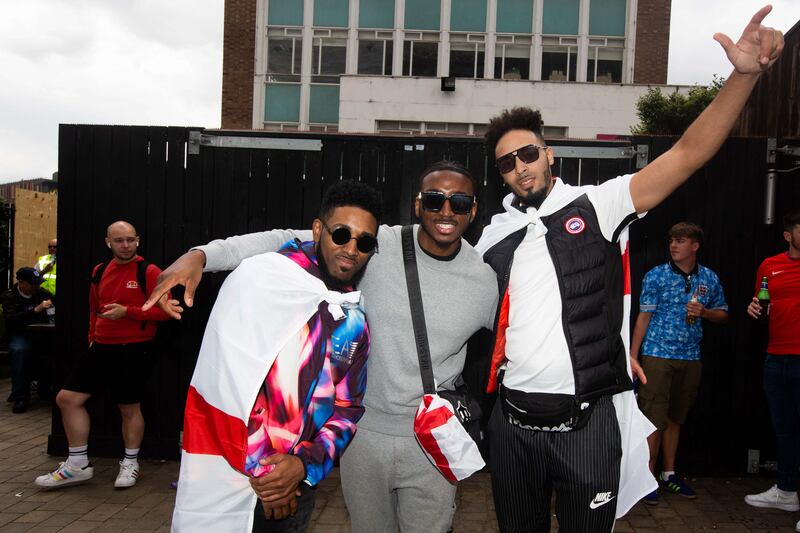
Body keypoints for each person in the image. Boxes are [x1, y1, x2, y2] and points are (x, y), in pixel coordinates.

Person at [475, 7, 782, 531]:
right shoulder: (492, 236)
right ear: (501, 175)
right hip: (513, 425)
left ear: (548, 154)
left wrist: (744, 75)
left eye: (527, 152)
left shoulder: (601, 205)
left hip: (589, 423)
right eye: (506, 162)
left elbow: (687, 154)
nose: (519, 166)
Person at [146, 163, 498, 533]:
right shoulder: (372, 242)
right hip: (364, 437)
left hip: (431, 441)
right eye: (434, 199)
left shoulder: (483, 281)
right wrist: (201, 256)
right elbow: (280, 239)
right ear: (417, 205)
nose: (446, 211)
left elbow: (517, 333)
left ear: (473, 210)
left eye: (459, 202)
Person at [172, 180, 380, 532]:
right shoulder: (259, 280)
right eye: (341, 234)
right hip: (229, 471)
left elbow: (347, 410)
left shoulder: (353, 318)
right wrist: (269, 477)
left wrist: (302, 467)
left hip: (297, 486)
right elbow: (226, 386)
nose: (351, 249)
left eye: (365, 242)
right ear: (318, 229)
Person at [35, 221, 171, 490]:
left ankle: (130, 463)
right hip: (101, 346)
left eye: (130, 239)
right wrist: (92, 338)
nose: (125, 245)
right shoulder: (99, 270)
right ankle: (77, 465)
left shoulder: (149, 271)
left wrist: (128, 312)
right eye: (119, 240)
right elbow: (93, 309)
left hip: (134, 348)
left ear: (138, 241)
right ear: (108, 242)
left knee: (128, 407)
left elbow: (166, 312)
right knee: (67, 399)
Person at [630, 223, 728, 505]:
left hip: (690, 357)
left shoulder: (708, 278)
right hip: (658, 355)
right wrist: (634, 356)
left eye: (681, 241)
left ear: (695, 246)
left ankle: (668, 474)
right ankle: (646, 479)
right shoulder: (656, 276)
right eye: (671, 240)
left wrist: (706, 312)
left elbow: (724, 314)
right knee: (654, 419)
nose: (674, 246)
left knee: (676, 418)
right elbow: (643, 317)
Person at [743, 210, 800, 531]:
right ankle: (787, 491)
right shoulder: (770, 265)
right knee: (785, 429)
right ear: (789, 235)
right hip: (776, 357)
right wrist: (755, 309)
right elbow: (761, 305)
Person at [1, 267, 54, 413]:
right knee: (20, 350)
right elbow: (11, 321)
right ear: (22, 283)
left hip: (41, 334)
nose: (37, 286)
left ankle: (45, 388)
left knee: (52, 350)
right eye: (33, 284)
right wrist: (34, 311)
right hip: (20, 334)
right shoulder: (9, 296)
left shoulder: (41, 293)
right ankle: (20, 396)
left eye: (38, 283)